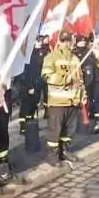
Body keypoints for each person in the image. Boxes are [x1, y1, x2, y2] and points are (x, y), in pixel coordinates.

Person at [42, 32, 84, 165]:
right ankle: (52, 157)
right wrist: (63, 79)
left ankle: (64, 151)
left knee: (69, 130)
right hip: (57, 101)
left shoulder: (75, 59)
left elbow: (80, 80)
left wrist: (83, 95)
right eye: (64, 40)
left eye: (68, 40)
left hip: (72, 101)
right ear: (59, 41)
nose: (66, 43)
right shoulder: (51, 57)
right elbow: (46, 76)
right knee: (55, 131)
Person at [17, 37, 48, 135]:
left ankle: (30, 125)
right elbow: (24, 74)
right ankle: (23, 127)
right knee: (26, 107)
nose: (39, 43)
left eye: (39, 41)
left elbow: (39, 70)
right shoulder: (26, 55)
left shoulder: (38, 54)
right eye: (37, 41)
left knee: (33, 106)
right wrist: (29, 87)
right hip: (27, 86)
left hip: (36, 85)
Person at [75, 35, 99, 134]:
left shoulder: (90, 52)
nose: (83, 43)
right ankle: (86, 121)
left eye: (84, 41)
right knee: (87, 101)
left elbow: (95, 64)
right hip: (85, 80)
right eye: (80, 41)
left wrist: (96, 49)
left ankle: (98, 123)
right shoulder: (75, 54)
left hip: (96, 79)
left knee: (98, 101)